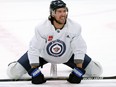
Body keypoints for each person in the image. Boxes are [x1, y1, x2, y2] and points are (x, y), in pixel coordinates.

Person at [7, 0, 103, 84]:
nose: (63, 14)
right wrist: (34, 70)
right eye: (60, 11)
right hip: (43, 56)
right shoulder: (41, 28)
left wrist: (78, 69)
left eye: (65, 11)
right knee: (13, 72)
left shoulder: (75, 27)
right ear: (52, 13)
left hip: (68, 56)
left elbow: (79, 48)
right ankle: (15, 64)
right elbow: (34, 49)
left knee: (97, 71)